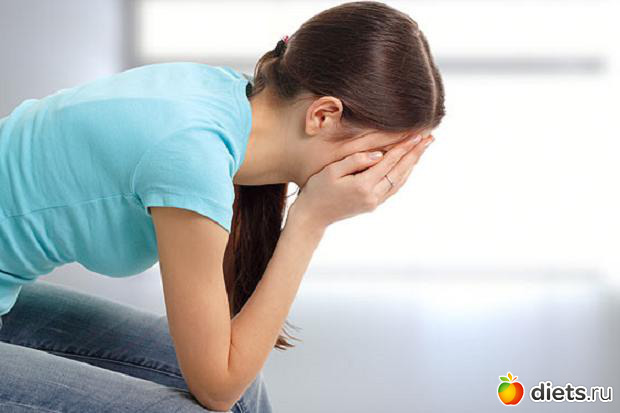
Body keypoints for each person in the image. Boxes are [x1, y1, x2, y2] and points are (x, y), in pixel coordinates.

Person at [0, 1, 445, 412]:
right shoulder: (193, 155)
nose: (380, 174)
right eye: (381, 154)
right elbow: (216, 387)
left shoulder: (232, 102)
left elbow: (228, 374)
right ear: (322, 115)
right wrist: (310, 220)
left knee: (245, 394)